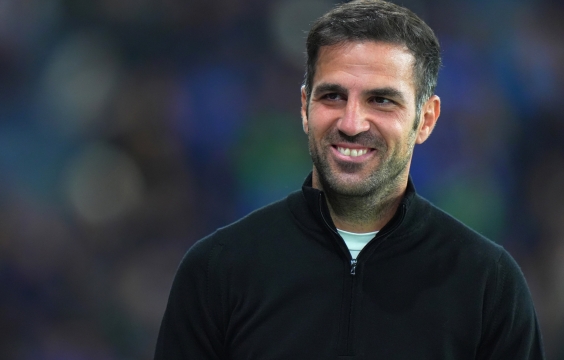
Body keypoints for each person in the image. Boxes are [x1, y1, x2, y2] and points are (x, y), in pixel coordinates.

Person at [154, 0, 545, 358]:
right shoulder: (217, 271)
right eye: (333, 97)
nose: (352, 123)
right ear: (305, 109)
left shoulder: (487, 284)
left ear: (426, 119)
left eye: (382, 100)